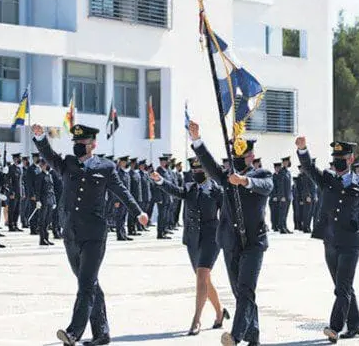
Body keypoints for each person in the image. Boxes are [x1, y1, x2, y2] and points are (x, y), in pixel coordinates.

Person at [32, 123, 148, 346]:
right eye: (75, 143)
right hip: (71, 233)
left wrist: (138, 212)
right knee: (90, 283)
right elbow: (48, 155)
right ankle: (102, 333)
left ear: (93, 144)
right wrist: (40, 138)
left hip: (94, 234)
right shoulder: (67, 163)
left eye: (81, 143)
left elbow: (121, 190)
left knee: (85, 284)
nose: (77, 146)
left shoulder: (105, 167)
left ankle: (73, 332)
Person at [188, 120, 273, 346]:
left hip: (254, 242)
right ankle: (253, 336)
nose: (240, 160)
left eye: (244, 155)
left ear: (251, 156)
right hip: (230, 241)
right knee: (240, 292)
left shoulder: (263, 174)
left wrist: (244, 180)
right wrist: (197, 140)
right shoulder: (226, 178)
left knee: (246, 289)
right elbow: (209, 165)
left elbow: (265, 186)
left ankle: (234, 336)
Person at [296, 138, 359, 342]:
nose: (338, 161)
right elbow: (309, 168)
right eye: (335, 158)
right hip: (330, 239)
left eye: (342, 158)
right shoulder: (327, 179)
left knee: (342, 287)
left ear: (350, 159)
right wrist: (302, 150)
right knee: (344, 285)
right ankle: (356, 324)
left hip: (351, 241)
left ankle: (334, 327)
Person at [151, 157, 229, 336]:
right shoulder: (189, 188)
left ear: (208, 171)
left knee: (202, 276)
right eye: (193, 171)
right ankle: (219, 312)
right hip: (192, 240)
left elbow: (226, 214)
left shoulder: (217, 191)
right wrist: (160, 180)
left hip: (211, 239)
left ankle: (196, 319)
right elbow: (175, 191)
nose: (196, 174)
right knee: (204, 280)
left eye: (200, 171)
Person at [36, 158, 56, 246]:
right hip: (43, 201)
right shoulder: (40, 176)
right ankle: (42, 239)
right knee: (42, 221)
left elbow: (52, 189)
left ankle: (46, 238)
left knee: (48, 221)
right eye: (46, 164)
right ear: (43, 165)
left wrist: (54, 201)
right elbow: (38, 190)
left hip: (50, 200)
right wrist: (38, 200)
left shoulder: (50, 175)